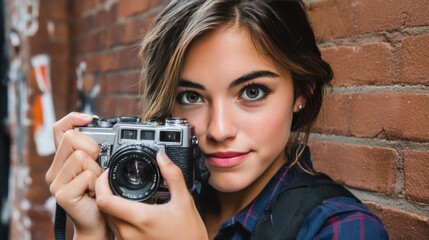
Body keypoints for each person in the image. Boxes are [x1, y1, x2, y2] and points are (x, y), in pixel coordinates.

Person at [46, 0, 389, 239]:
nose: (219, 130)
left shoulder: (341, 229)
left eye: (252, 92)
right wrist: (92, 233)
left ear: (302, 93)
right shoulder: (143, 204)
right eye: (191, 97)